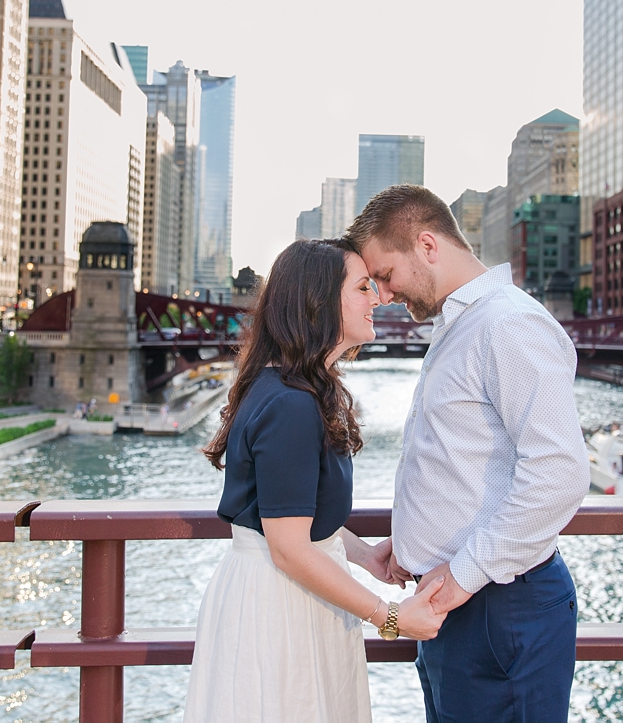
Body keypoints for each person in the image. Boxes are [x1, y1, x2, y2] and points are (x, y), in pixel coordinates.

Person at [347, 185, 589, 724]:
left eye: (385, 274)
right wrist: (414, 540)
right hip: (461, 602)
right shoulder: (463, 326)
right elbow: (461, 460)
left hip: (498, 608)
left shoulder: (506, 324)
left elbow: (560, 473)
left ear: (427, 245)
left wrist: (461, 573)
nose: (382, 294)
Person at [184, 238, 446, 723]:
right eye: (363, 287)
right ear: (320, 301)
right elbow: (289, 547)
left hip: (282, 594)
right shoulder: (291, 405)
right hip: (281, 606)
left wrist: (365, 555)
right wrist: (390, 617)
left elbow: (292, 516)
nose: (378, 299)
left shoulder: (290, 388)